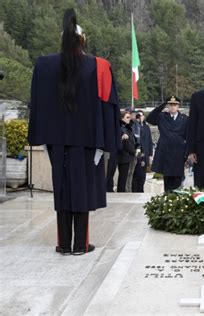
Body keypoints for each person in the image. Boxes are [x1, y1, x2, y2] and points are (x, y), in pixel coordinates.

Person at [27, 9, 121, 255]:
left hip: (56, 140)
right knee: (82, 190)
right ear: (83, 41)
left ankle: (63, 244)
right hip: (88, 141)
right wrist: (105, 142)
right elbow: (108, 106)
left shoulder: (44, 64)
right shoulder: (99, 66)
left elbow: (37, 103)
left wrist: (43, 136)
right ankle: (80, 244)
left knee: (62, 190)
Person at [147, 96, 189, 192]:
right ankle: (167, 201)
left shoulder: (185, 119)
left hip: (179, 153)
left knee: (178, 182)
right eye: (170, 105)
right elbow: (149, 118)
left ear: (178, 106)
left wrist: (187, 154)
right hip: (165, 152)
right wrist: (162, 105)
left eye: (175, 105)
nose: (172, 107)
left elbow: (188, 137)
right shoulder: (162, 116)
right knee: (167, 182)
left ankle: (176, 203)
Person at [132, 110, 153, 192]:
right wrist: (138, 122)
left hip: (146, 154)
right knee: (137, 173)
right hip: (138, 153)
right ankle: (136, 190)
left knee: (143, 174)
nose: (140, 117)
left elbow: (150, 141)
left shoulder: (146, 127)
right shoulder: (135, 126)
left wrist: (150, 154)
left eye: (141, 115)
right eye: (138, 115)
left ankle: (141, 189)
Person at [117, 111, 137, 192]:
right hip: (123, 156)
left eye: (130, 117)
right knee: (123, 177)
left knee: (126, 176)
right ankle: (121, 192)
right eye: (127, 117)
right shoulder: (121, 128)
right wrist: (134, 152)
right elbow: (126, 144)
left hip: (128, 156)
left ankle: (123, 191)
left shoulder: (127, 128)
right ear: (122, 118)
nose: (129, 119)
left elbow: (133, 140)